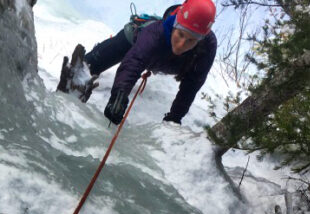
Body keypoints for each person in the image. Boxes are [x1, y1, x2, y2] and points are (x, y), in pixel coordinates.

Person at [78, 0, 218, 125]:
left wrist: (174, 118)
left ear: (200, 39)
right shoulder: (154, 33)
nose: (181, 44)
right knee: (87, 64)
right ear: (174, 25)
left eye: (190, 40)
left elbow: (192, 84)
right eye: (180, 34)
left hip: (165, 60)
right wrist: (119, 96)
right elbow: (134, 62)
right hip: (132, 42)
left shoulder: (207, 47)